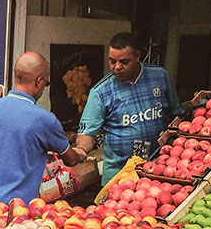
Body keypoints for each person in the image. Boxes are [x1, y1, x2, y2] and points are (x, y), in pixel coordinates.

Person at [0, 52, 84, 214]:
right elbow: (70, 160)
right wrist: (79, 154)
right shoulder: (45, 120)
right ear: (39, 81)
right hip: (13, 215)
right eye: (46, 83)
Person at [75, 32, 181, 184]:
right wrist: (81, 149)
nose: (117, 67)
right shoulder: (101, 91)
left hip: (159, 170)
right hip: (119, 175)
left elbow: (177, 115)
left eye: (124, 61)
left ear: (138, 56)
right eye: (112, 61)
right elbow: (87, 133)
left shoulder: (160, 76)